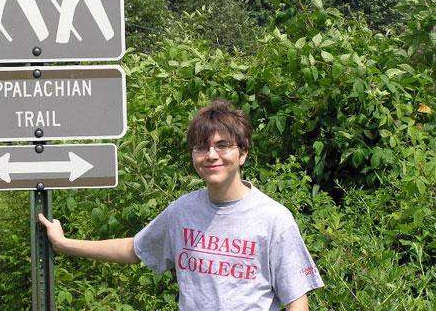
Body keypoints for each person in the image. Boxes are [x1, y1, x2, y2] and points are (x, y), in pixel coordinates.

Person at [39, 99, 324, 310]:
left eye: (223, 145)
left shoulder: (274, 219)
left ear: (243, 153)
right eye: (202, 147)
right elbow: (135, 249)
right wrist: (66, 244)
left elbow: (297, 302)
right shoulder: (182, 212)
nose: (211, 155)